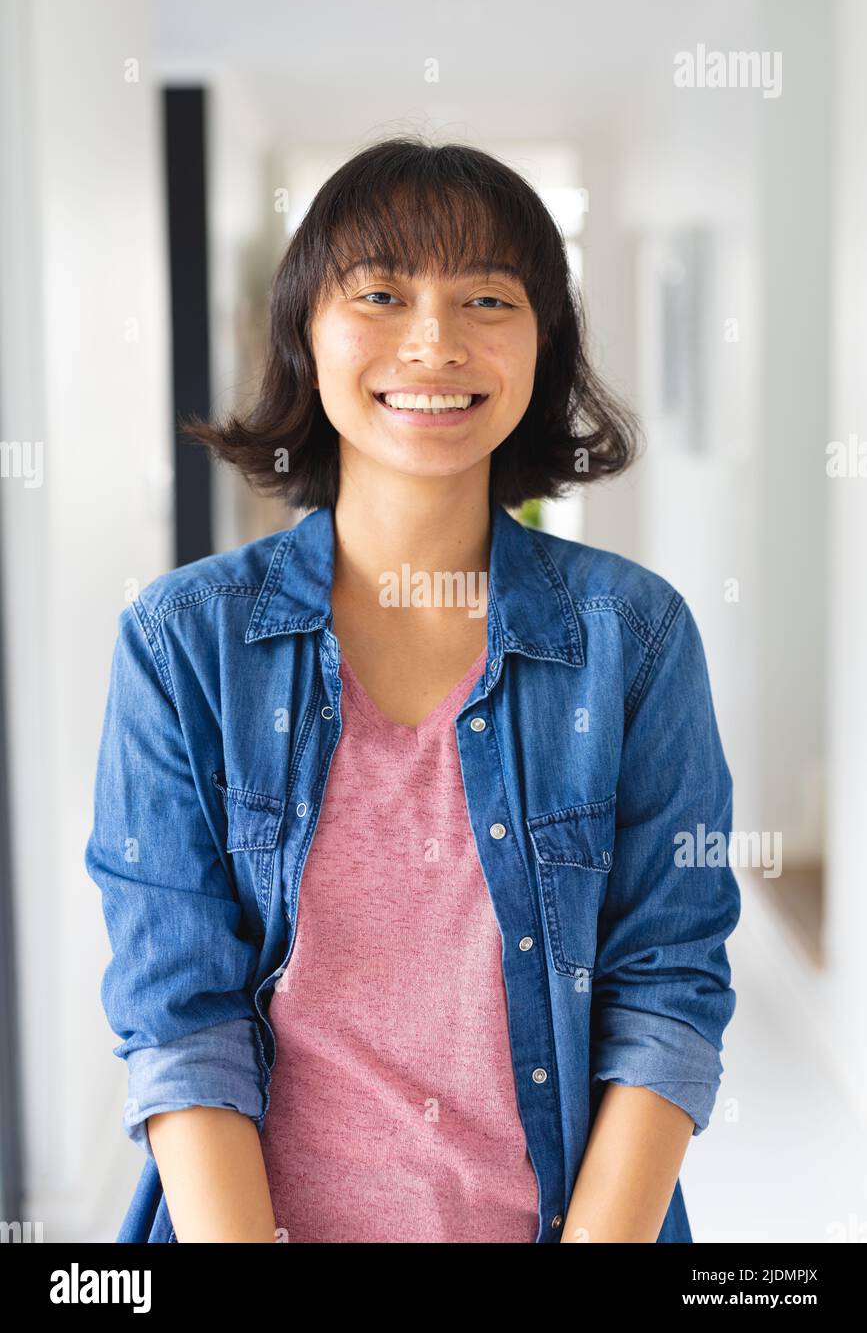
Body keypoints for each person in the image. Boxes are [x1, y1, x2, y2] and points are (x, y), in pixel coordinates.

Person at [85, 136, 740, 1244]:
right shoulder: (183, 641)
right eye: (381, 293)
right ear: (305, 333)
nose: (434, 341)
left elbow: (667, 986)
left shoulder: (633, 635)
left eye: (488, 295)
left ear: (544, 346)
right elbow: (178, 1017)